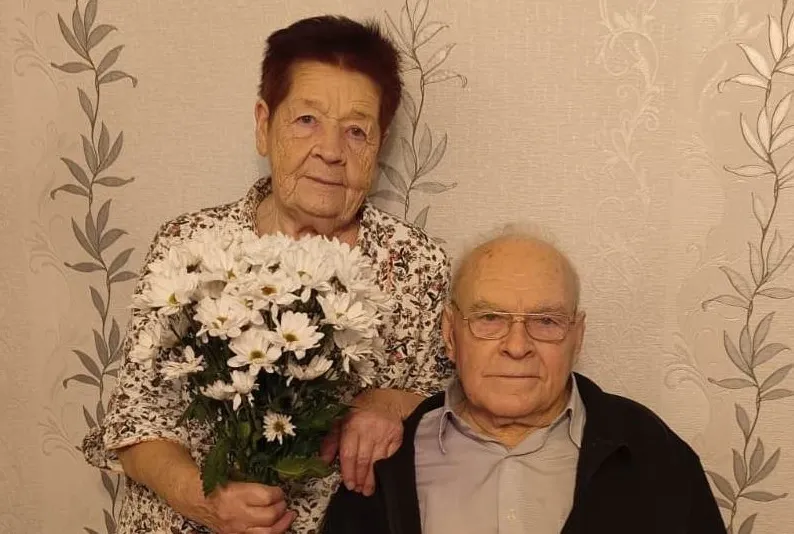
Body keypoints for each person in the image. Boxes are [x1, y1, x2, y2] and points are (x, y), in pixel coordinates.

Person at [82, 16, 452, 534]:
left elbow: (451, 411)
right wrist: (204, 499)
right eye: (307, 120)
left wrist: (384, 402)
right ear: (264, 124)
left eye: (356, 131)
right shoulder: (189, 247)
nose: (331, 151)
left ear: (379, 144)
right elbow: (136, 422)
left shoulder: (415, 264)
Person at [322, 229, 726, 534]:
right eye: (489, 318)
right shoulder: (383, 463)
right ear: (450, 334)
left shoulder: (652, 452)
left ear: (577, 337)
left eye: (546, 321)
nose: (517, 346)